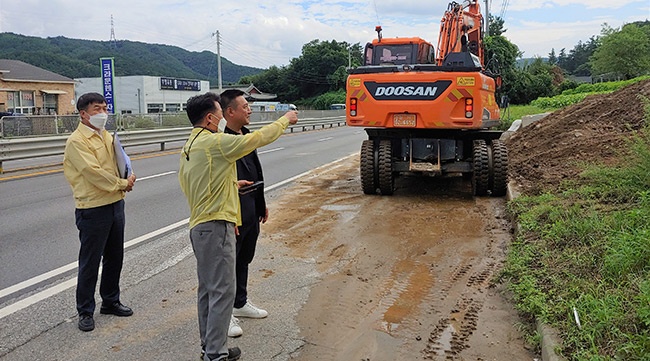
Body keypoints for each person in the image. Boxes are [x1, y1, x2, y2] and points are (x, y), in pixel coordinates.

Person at [178, 92, 298, 361]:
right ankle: (216, 354)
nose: (222, 117)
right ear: (210, 118)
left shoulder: (191, 145)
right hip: (216, 225)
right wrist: (284, 121)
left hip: (201, 224)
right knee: (223, 291)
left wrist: (232, 186)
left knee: (208, 289)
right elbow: (255, 139)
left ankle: (210, 346)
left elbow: (198, 183)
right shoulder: (214, 143)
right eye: (220, 112)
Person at [63, 92, 137, 332]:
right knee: (90, 261)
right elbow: (93, 172)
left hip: (115, 202)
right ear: (83, 113)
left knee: (115, 257)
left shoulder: (105, 135)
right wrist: (121, 184)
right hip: (92, 208)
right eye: (97, 109)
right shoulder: (77, 141)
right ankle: (85, 310)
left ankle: (110, 300)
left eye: (105, 108)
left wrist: (128, 175)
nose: (103, 113)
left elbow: (119, 160)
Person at [220, 90, 270, 338]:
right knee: (227, 264)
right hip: (234, 211)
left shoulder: (246, 135)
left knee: (244, 258)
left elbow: (255, 172)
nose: (249, 109)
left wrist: (261, 204)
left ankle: (240, 301)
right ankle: (225, 313)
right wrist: (231, 217)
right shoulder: (222, 141)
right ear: (230, 112)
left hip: (252, 206)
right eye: (245, 106)